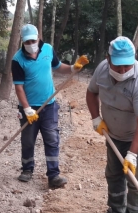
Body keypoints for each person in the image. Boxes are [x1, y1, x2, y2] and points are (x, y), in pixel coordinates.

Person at [85, 37, 138, 213]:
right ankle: (116, 212)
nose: (124, 69)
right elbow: (91, 93)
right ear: (108, 59)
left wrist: (133, 154)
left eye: (128, 64)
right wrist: (96, 118)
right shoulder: (101, 70)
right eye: (119, 64)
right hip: (114, 133)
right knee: (114, 173)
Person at [12, 24, 88, 188]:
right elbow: (18, 87)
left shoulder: (47, 49)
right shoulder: (17, 60)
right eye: (27, 41)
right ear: (22, 42)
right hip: (29, 108)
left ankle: (53, 176)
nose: (30, 44)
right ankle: (27, 169)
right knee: (28, 140)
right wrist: (27, 109)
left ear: (38, 37)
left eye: (33, 40)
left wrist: (74, 68)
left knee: (52, 140)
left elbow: (59, 67)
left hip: (49, 106)